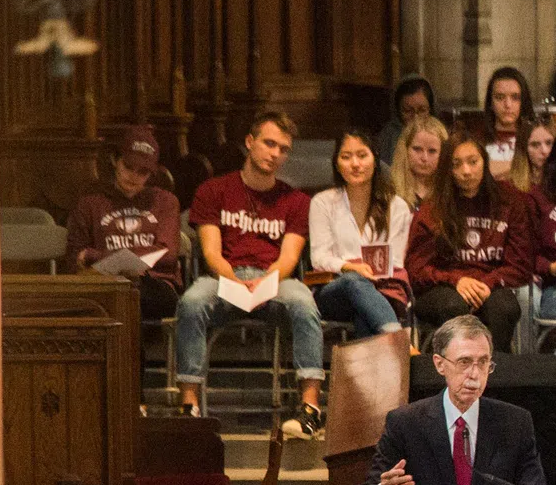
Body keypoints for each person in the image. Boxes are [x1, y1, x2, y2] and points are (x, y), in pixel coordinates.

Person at [176, 110, 327, 434]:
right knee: (191, 301)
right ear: (249, 142)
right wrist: (233, 279)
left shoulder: (296, 200)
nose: (275, 154)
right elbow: (211, 252)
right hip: (224, 278)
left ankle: (310, 408)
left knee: (304, 302)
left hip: (273, 280)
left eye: (283, 149)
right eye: (269, 144)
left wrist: (265, 281)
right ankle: (189, 405)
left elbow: (289, 257)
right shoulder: (214, 190)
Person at [358, 317, 556, 485]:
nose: (474, 374)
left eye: (483, 363)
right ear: (440, 365)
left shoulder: (515, 423)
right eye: (464, 362)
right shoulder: (405, 423)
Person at [406, 134, 538, 348]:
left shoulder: (509, 200)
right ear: (447, 169)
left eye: (473, 162)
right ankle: (454, 372)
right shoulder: (434, 208)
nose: (466, 171)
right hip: (444, 288)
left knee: (505, 308)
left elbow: (521, 264)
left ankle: (496, 375)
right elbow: (416, 268)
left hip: (492, 284)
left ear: (485, 163)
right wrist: (456, 280)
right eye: (457, 164)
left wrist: (488, 284)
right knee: (453, 306)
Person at [69, 126, 185, 346]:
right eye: (128, 167)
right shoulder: (91, 201)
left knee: (129, 299)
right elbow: (74, 256)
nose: (134, 177)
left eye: (143, 172)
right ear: (115, 160)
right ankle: (118, 377)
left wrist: (95, 255)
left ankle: (128, 379)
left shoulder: (164, 201)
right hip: (105, 282)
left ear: (152, 173)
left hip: (154, 284)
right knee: (116, 299)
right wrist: (127, 258)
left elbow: (168, 256)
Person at [305, 129, 414, 342]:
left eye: (362, 155)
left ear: (375, 159)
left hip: (383, 290)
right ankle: (397, 339)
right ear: (336, 163)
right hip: (335, 291)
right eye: (346, 157)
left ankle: (364, 375)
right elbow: (319, 257)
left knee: (365, 313)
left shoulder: (397, 206)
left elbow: (396, 260)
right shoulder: (322, 202)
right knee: (354, 281)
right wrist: (351, 267)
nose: (355, 164)